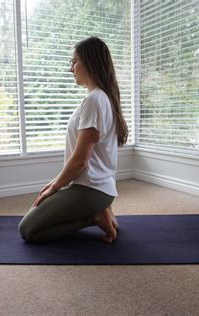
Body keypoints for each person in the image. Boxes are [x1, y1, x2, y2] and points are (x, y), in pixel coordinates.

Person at [18, 36, 128, 244]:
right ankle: (101, 209)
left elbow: (80, 160)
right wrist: (54, 182)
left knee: (28, 230)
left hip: (91, 189)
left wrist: (54, 188)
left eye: (74, 61)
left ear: (90, 62)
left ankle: (94, 216)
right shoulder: (102, 98)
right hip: (97, 187)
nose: (71, 68)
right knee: (38, 213)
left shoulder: (94, 100)